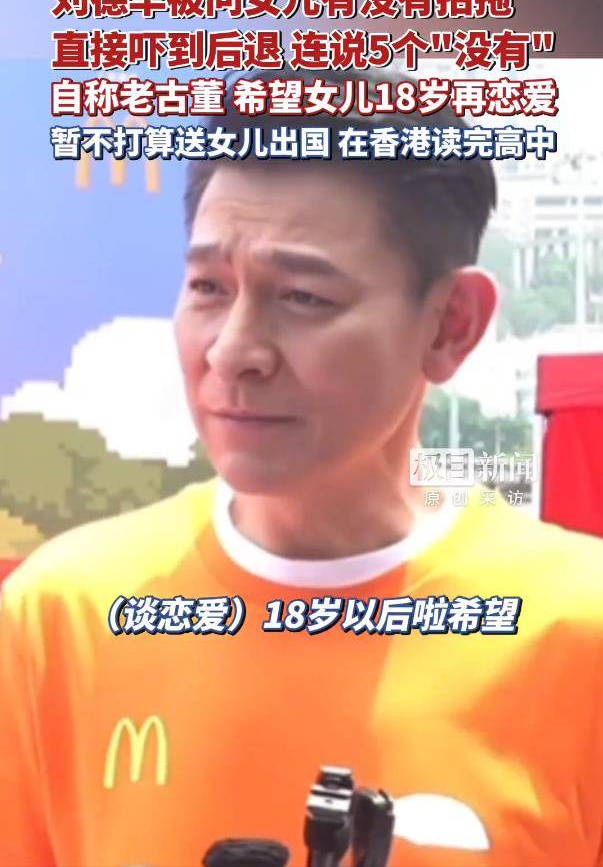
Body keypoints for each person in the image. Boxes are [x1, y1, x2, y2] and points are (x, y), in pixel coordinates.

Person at [1, 66, 602, 867]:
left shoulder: (577, 630)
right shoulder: (62, 613)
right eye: (209, 287)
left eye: (302, 297)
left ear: (449, 325)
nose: (232, 351)